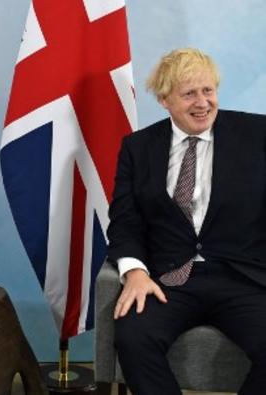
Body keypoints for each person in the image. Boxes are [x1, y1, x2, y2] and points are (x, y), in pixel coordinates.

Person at [107, 47, 266, 395]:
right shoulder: (138, 147)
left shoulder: (257, 134)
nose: (203, 102)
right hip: (167, 280)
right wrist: (134, 272)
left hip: (242, 277)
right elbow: (124, 220)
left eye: (208, 91)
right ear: (165, 100)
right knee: (133, 337)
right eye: (189, 93)